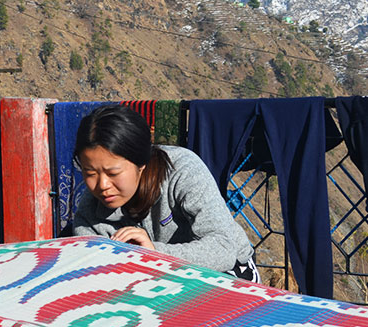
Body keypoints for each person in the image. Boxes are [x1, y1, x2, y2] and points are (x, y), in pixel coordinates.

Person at [71, 105, 258, 282]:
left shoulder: (183, 171)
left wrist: (154, 253)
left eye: (113, 173)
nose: (102, 185)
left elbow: (223, 249)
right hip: (151, 279)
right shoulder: (90, 212)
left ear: (141, 163)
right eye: (90, 173)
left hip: (227, 270)